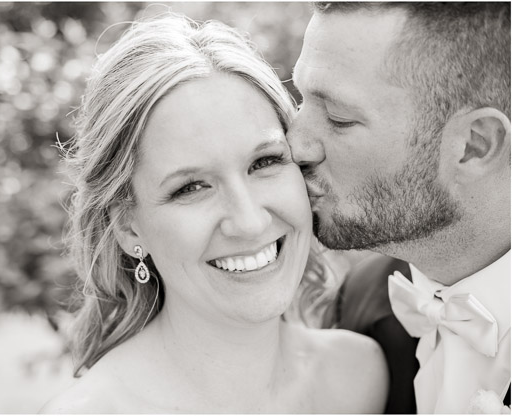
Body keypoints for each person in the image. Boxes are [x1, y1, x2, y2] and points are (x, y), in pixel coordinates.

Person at [42, 14, 387, 413]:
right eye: (190, 188)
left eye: (264, 163)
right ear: (127, 226)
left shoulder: (359, 374)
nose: (250, 222)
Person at [288, 3, 510, 413]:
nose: (295, 144)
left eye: (338, 117)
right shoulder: (361, 303)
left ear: (474, 146)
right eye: (301, 100)